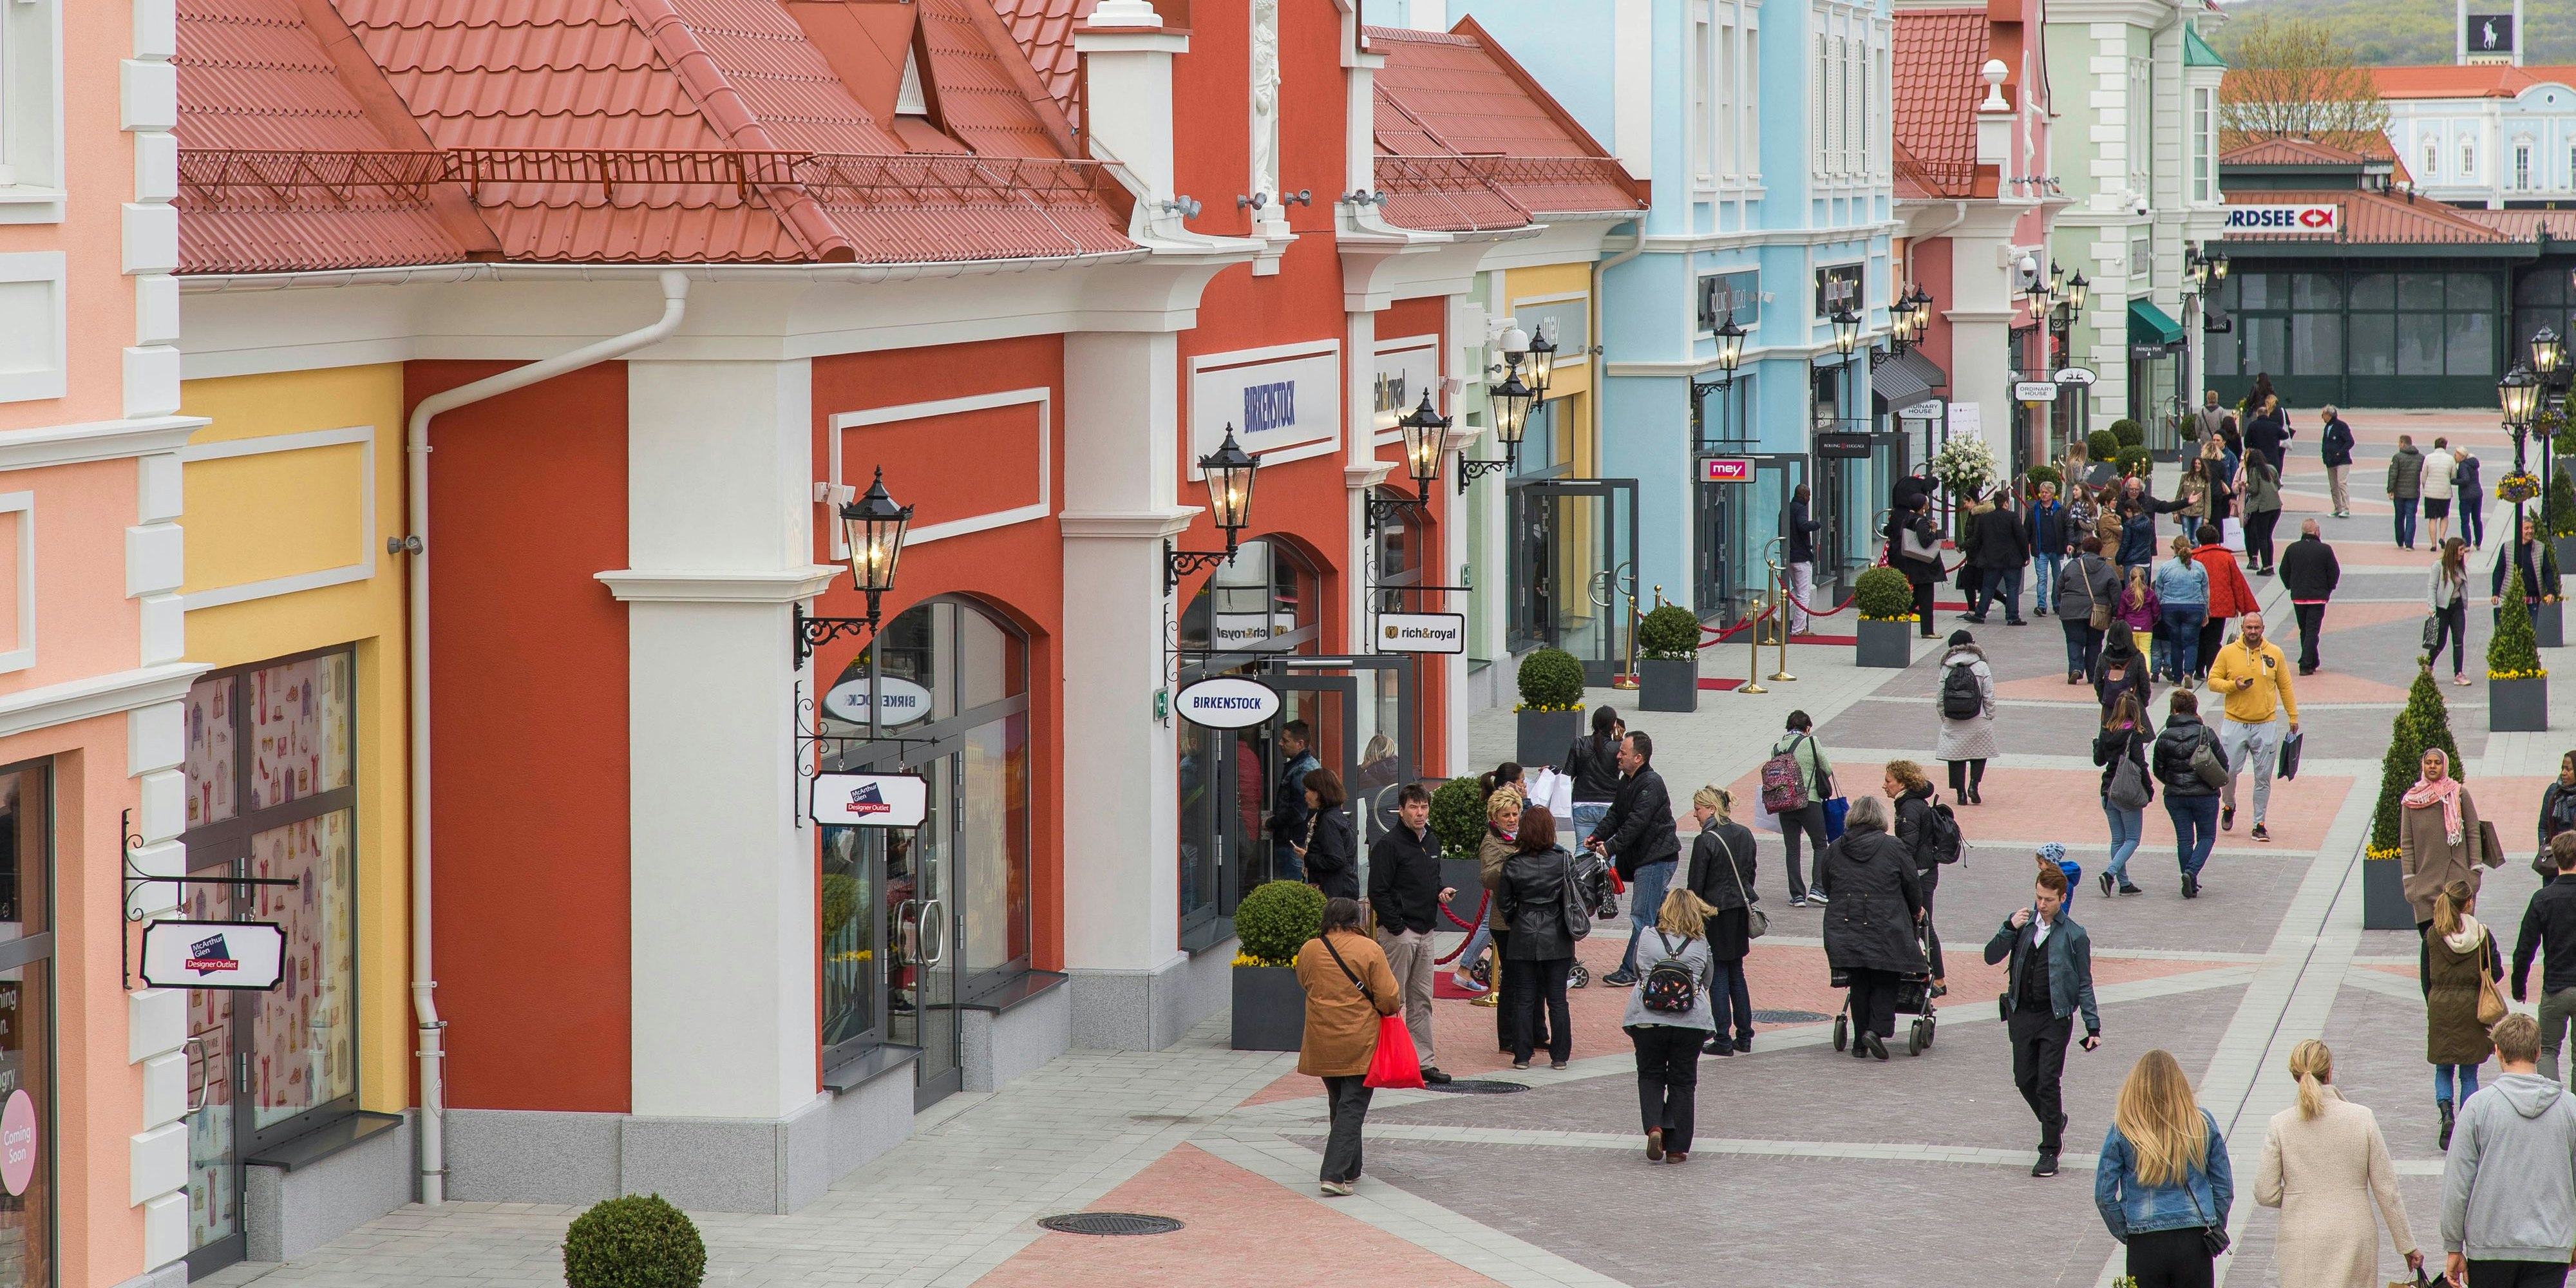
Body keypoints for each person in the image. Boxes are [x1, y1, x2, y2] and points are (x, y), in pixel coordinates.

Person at [2253, 1039, 2423, 1288]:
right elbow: (2387, 1190)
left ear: (2294, 1075)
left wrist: (2297, 1198)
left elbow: (2264, 1192)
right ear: (2330, 1071)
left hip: (2301, 1234)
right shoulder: (2361, 1117)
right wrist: (2407, 1246)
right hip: (2355, 1232)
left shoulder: (2281, 1124)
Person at [2438, 1012, 2576, 1288]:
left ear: (2498, 1051)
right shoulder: (2569, 1108)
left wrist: (2453, 1244)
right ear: (2538, 1052)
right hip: (2550, 1245)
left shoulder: (2479, 1107)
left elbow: (2458, 1182)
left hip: (2490, 1245)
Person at [1987, 862, 2102, 1177]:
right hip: (2021, 1014)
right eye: (2038, 897)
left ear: (2062, 898)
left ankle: (2050, 1150)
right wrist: (2007, 928)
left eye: (2048, 899)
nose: (2041, 904)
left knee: (2048, 1081)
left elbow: (2084, 982)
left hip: (2055, 1018)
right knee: (2024, 1079)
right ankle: (2055, 1120)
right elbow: (1990, 955)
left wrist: (2093, 1025)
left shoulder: (2075, 935)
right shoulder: (2022, 926)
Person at [2096, 1048, 2235, 1288]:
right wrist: (2214, 1223)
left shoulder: (2124, 1129)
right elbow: (2224, 1188)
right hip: (2195, 1238)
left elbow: (2104, 1195)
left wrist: (2126, 1230)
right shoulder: (2202, 1123)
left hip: (2145, 1243)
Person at [1295, 896, 1401, 1196]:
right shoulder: (1370, 949)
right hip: (1360, 1039)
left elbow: (1304, 982)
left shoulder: (1310, 949)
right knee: (1353, 1105)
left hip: (1321, 1038)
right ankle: (1333, 1173)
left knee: (1339, 1101)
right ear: (1356, 920)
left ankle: (1352, 1168)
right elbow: (1389, 997)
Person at [1819, 795, 1926, 1062]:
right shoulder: (1893, 847)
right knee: (1886, 977)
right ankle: (1876, 1031)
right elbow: (1912, 884)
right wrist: (1916, 910)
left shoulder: (1835, 848)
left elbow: (1827, 884)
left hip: (1846, 925)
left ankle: (1859, 1042)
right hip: (1887, 925)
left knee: (1859, 982)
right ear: (1880, 819)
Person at [1367, 784, 1455, 1084]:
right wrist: (1397, 927)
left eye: (1424, 807)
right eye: (1414, 808)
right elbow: (1377, 891)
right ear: (1401, 810)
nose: (1420, 813)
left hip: (1426, 930)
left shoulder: (1431, 841)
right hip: (1400, 934)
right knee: (1393, 999)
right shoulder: (1389, 845)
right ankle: (1382, 1059)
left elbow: (1433, 876)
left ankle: (1423, 1062)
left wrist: (1440, 890)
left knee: (1422, 999)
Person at [1624, 886, 1719, 1163]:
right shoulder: (1701, 942)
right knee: (1683, 1081)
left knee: (1651, 1074)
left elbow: (1636, 970)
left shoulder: (1647, 936)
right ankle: (1677, 1148)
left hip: (1647, 1017)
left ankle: (1655, 1125)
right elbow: (1708, 980)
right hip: (1690, 1021)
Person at [1590, 731, 1680, 987]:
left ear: (1638, 758)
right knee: (1660, 911)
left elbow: (1636, 823)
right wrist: (1598, 834)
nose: (1618, 756)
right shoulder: (1627, 780)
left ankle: (1630, 970)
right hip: (1646, 859)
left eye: (1623, 753)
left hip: (1656, 859)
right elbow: (1616, 814)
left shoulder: (1651, 783)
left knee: (1642, 917)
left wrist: (1610, 847)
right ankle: (1684, 940)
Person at [2208, 611, 2299, 842]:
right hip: (2234, 722)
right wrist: (2233, 686)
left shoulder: (2274, 653)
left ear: (2263, 628)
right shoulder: (2228, 653)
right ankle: (2228, 805)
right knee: (2227, 772)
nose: (2252, 632)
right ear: (2243, 629)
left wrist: (2292, 715)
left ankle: (2259, 823)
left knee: (2263, 777)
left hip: (2265, 724)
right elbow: (2212, 681)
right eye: (2249, 627)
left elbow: (2285, 687)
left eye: (2256, 628)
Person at [2426, 878, 2504, 1149]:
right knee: (2469, 1073)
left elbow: (2427, 977)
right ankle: (2469, 1126)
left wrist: (2435, 1001)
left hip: (2440, 1007)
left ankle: (2447, 1115)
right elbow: (2497, 971)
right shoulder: (2482, 934)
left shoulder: (2433, 936)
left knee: (2443, 1066)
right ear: (2469, 903)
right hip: (2473, 1009)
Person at [1497, 810, 1576, 1070]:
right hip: (1557, 934)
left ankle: (1521, 1055)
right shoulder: (1563, 859)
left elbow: (1505, 904)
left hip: (1524, 932)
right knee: (1557, 998)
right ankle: (1560, 1055)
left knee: (1524, 997)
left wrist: (1517, 920)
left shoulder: (1513, 863)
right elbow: (1577, 897)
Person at [1685, 786, 1758, 1057]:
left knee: (1718, 976)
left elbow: (1695, 886)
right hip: (1739, 911)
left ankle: (1723, 1038)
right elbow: (1751, 873)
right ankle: (1745, 1036)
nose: (1695, 814)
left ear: (1712, 809)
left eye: (1698, 809)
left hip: (1714, 914)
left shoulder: (1706, 840)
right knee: (1737, 972)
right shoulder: (1744, 833)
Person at [2400, 748, 2496, 934]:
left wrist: (2475, 871)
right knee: (2431, 946)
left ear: (2445, 766)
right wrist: (2410, 881)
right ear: (2423, 765)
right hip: (2425, 887)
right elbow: (2407, 842)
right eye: (2429, 763)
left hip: (2458, 884)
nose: (2433, 766)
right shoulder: (2411, 801)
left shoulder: (2459, 794)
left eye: (2438, 763)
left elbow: (2473, 832)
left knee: (2459, 943)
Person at [2514, 833, 2576, 1082]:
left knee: (2548, 1050)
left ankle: (2554, 1103)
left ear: (2555, 860)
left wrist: (2519, 986)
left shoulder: (2543, 899)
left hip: (2555, 987)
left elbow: (2525, 948)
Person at [2153, 688, 2225, 898]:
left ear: (2174, 710)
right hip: (2205, 794)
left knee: (2184, 840)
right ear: (2195, 709)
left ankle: (2189, 883)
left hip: (2175, 795)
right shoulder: (2206, 733)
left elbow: (2158, 769)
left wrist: (2173, 781)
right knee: (2207, 836)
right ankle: (2191, 873)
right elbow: (2224, 762)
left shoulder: (2165, 736)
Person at [1886, 759, 1949, 994]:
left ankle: (1939, 980)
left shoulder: (1910, 808)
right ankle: (1918, 972)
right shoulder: (1910, 804)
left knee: (1924, 925)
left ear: (1902, 782)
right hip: (1924, 872)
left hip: (1920, 875)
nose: (1885, 785)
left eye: (1888, 780)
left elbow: (1908, 847)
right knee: (1917, 925)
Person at [1479, 789, 1531, 1043]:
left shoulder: (1523, 835)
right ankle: (1507, 1037)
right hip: (1504, 921)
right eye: (1506, 815)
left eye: (1515, 813)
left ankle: (1533, 1032)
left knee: (1529, 978)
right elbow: (1487, 877)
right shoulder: (1491, 842)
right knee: (1511, 980)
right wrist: (1514, 863)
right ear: (1495, 817)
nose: (1512, 819)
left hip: (1526, 917)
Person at [1770, 712, 1836, 907]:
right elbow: (1828, 768)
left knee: (1792, 849)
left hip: (1785, 804)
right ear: (1807, 727)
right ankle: (1818, 888)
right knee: (1820, 845)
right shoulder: (1812, 742)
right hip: (1810, 801)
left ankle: (1797, 895)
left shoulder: (1777, 748)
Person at [2096, 691, 2154, 896]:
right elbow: (2140, 763)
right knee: (2132, 839)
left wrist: (2097, 744)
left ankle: (2124, 883)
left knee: (2117, 839)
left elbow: (2099, 760)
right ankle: (2110, 873)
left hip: (2107, 790)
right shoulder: (2134, 735)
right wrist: (2149, 788)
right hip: (2126, 792)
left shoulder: (2106, 731)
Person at [1935, 629, 1997, 804]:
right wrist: (1989, 715)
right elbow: (1989, 694)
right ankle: (1974, 785)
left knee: (1955, 756)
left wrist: (1944, 717)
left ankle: (1960, 793)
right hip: (1979, 717)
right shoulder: (1981, 665)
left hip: (1953, 717)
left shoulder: (1947, 667)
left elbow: (1940, 696)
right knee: (1980, 752)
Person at [2191, 524, 2259, 686]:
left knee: (2199, 638)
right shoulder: (2227, 557)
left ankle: (2198, 670)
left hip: (2199, 605)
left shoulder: (2195, 557)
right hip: (2222, 605)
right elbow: (2237, 582)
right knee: (2214, 639)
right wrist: (2245, 607)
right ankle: (2212, 671)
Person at [2280, 519, 2341, 676]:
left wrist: (2290, 586)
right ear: (2316, 532)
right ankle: (2306, 663)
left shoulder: (2292, 549)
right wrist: (2329, 588)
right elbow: (2334, 572)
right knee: (2312, 630)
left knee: (2305, 630)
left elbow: (2283, 571)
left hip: (2299, 597)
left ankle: (2313, 660)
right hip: (2318, 597)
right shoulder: (2325, 550)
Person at [2056, 534, 2119, 684]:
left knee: (2073, 641)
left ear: (2083, 549)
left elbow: (2059, 587)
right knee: (2094, 643)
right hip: (2097, 611)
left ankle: (2076, 669)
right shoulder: (2107, 569)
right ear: (2100, 550)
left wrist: (2063, 603)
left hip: (2071, 610)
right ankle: (2093, 674)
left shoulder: (2072, 565)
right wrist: (2115, 612)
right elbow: (2116, 592)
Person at [1967, 486, 2031, 625]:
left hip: (1992, 560)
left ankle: (1980, 614)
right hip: (2012, 560)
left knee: (1988, 588)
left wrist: (1965, 547)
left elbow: (1977, 539)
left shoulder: (1985, 518)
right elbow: (2021, 537)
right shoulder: (2013, 517)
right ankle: (2012, 617)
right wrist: (2026, 555)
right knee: (2012, 588)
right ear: (2006, 503)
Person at [1266, 719, 1320, 881]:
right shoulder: (1303, 766)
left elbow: (1298, 812)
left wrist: (1270, 823)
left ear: (1300, 744)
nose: (1280, 743)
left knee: (1293, 893)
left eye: (1285, 740)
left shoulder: (1302, 770)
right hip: (1296, 843)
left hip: (1294, 844)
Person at [2153, 535, 2210, 684]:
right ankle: (2189, 673)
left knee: (2175, 643)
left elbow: (2159, 590)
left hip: (2170, 607)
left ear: (2175, 549)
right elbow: (2205, 591)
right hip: (2194, 607)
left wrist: (2159, 610)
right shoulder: (2199, 567)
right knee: (2192, 642)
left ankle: (2177, 678)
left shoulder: (2166, 567)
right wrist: (2206, 611)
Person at [1562, 706, 1625, 843]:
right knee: (1610, 850)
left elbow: (1567, 775)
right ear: (1614, 725)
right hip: (1610, 804)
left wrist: (1553, 770)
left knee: (1582, 848)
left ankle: (1581, 865)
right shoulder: (1618, 748)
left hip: (1582, 803)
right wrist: (1621, 741)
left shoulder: (1579, 743)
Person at [1889, 494, 1946, 638]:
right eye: (1926, 503)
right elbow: (1925, 542)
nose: (1928, 505)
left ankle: (1894, 615)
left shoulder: (1909, 519)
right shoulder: (1921, 522)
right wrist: (1933, 530)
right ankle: (1927, 631)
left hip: (1916, 565)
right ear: (1922, 506)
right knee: (1926, 600)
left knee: (1916, 598)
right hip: (1924, 567)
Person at [1299, 768, 1359, 900]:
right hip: (1341, 890)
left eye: (1307, 791)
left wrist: (1307, 857)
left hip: (1334, 893)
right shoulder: (1334, 816)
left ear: (1319, 793)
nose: (1305, 795)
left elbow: (1336, 859)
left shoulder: (1328, 821)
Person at [2093, 619, 2155, 731]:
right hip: (2133, 705)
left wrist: (2104, 698)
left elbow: (2097, 682)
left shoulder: (2103, 657)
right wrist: (2143, 702)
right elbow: (2144, 683)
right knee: (2135, 741)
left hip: (2110, 707)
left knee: (2108, 741)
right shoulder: (2137, 657)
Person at [2493, 515, 2557, 623]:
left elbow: (2547, 571)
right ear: (2519, 530)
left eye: (2532, 528)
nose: (2530, 531)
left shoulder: (2540, 547)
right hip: (2512, 600)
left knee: (2531, 635)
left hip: (2533, 601)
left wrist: (2551, 591)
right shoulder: (2507, 547)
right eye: (2526, 528)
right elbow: (2499, 572)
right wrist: (2496, 592)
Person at [2429, 536, 2472, 686]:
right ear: (2453, 550)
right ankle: (2429, 665)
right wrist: (2431, 608)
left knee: (2459, 640)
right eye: (2460, 550)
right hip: (2442, 609)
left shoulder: (2460, 567)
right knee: (2440, 642)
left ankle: (2458, 673)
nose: (2463, 553)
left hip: (2457, 607)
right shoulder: (2438, 566)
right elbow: (2432, 587)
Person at [1786, 482, 1822, 636]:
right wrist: (1816, 524)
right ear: (1805, 495)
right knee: (1804, 594)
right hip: (1801, 558)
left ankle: (1776, 616)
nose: (1809, 499)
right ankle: (1798, 629)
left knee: (1796, 591)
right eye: (1809, 496)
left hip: (1789, 557)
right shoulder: (1801, 508)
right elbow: (1803, 525)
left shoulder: (1786, 508)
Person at [2030, 480, 2069, 616]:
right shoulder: (2034, 510)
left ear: (2052, 494)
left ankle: (2057, 603)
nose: (2043, 495)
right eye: (2042, 492)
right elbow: (2027, 529)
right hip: (2041, 550)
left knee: (2058, 578)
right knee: (2042, 579)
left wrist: (2069, 543)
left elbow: (2067, 527)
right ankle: (2042, 605)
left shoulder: (2060, 510)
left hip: (2057, 550)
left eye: (2046, 492)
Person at [2242, 450, 2284, 574]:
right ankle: (2270, 565)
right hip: (2276, 506)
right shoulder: (2271, 468)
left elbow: (2254, 490)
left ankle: (2265, 566)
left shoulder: (2254, 471)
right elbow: (2278, 485)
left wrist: (2247, 486)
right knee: (2268, 536)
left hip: (2263, 507)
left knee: (2262, 537)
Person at [2387, 433, 2425, 550]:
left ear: (2403, 444)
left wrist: (2390, 489)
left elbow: (2393, 474)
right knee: (2411, 517)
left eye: (2399, 443)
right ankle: (2409, 543)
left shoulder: (2397, 457)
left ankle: (2400, 541)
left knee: (2399, 517)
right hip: (2413, 492)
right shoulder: (2421, 457)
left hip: (2399, 493)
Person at [2421, 435, 2459, 548]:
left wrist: (2426, 487)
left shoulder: (2428, 458)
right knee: (2444, 516)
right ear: (2445, 446)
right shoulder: (2450, 459)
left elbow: (2424, 476)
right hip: (2445, 492)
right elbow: (2453, 476)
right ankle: (2442, 537)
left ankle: (2433, 544)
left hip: (2431, 492)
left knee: (2432, 518)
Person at [2320, 404, 2354, 518]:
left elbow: (2350, 441)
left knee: (2341, 484)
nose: (2322, 418)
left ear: (2329, 415)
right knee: (2333, 486)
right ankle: (2337, 508)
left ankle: (2346, 508)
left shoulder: (2341, 426)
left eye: (2323, 415)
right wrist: (2324, 456)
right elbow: (2325, 443)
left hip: (2342, 461)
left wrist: (2340, 453)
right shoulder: (2327, 428)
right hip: (2330, 461)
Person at [2541, 752, 2576, 857]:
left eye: (2568, 769)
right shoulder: (2553, 792)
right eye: (2562, 769)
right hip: (2556, 857)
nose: (2563, 773)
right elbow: (2543, 827)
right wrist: (2544, 849)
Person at [2455, 443, 2486, 550]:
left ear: (2461, 455)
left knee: (2465, 520)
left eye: (2456, 454)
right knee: (2477, 519)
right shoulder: (2473, 464)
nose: (2455, 456)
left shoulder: (2463, 465)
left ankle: (2467, 544)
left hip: (2466, 496)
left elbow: (2465, 479)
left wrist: (2453, 481)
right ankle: (2478, 542)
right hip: (2477, 493)